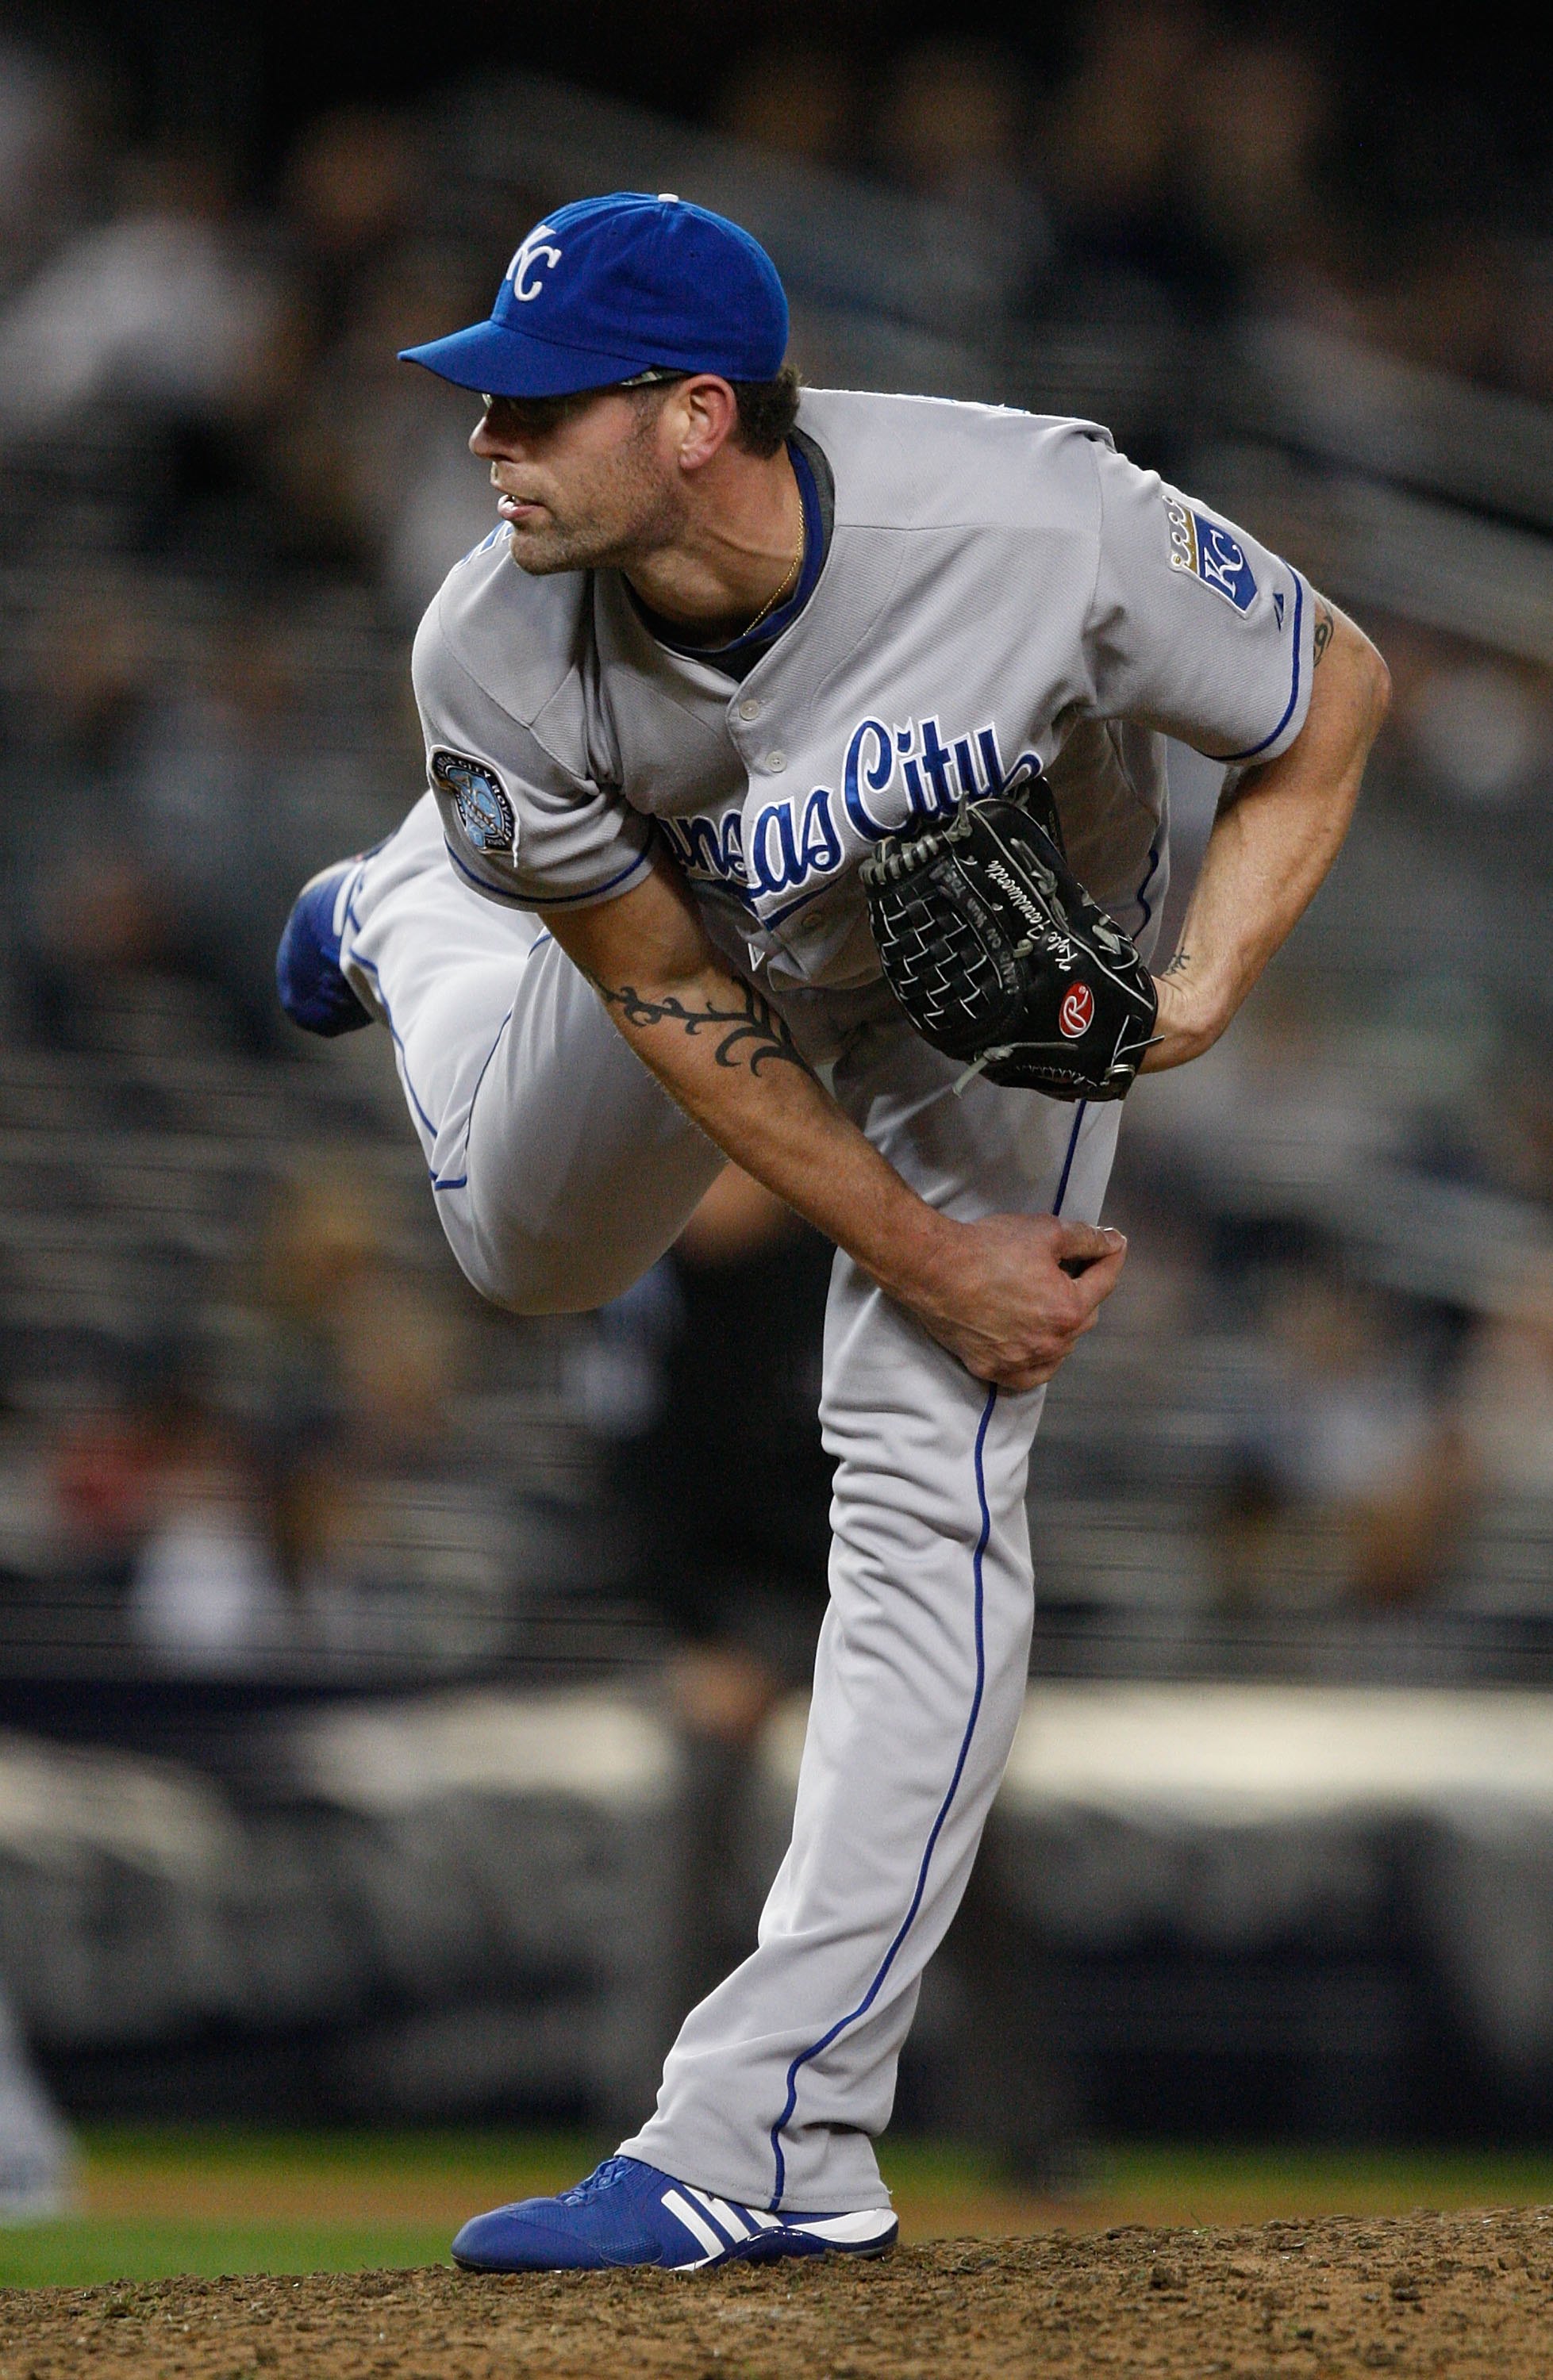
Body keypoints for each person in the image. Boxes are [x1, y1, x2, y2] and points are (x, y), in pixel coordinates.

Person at [275, 193, 1388, 2269]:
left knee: (939, 1464)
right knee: (528, 1251)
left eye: (534, 406)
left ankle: (768, 2131)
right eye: (486, 406)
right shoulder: (494, 642)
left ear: (697, 415)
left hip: (1010, 974)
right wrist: (917, 1239)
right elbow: (674, 1008)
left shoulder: (1041, 523)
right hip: (703, 946)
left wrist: (1206, 994)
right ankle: (409, 903)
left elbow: (1330, 702)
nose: (484, 441)